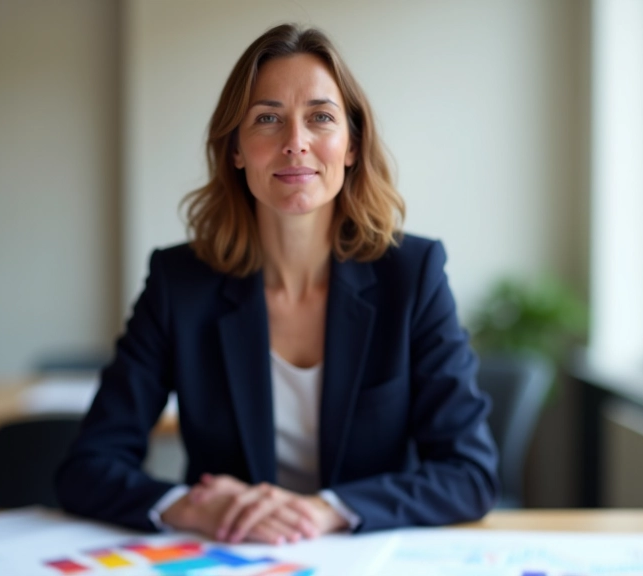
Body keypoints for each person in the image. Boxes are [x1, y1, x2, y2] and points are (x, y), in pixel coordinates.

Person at [55, 23, 498, 545]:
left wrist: (325, 510)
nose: (295, 143)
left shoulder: (412, 275)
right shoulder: (180, 285)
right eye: (267, 119)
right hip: (232, 555)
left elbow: (470, 473)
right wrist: (189, 508)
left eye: (320, 118)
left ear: (352, 145)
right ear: (236, 149)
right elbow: (88, 465)